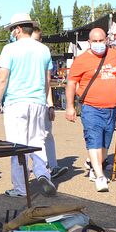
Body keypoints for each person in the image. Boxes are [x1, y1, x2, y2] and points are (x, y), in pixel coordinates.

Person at [0, 14, 56, 198]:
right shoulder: (43, 49)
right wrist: (45, 101)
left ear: (18, 30)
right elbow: (46, 80)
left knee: (17, 145)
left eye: (12, 30)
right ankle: (43, 173)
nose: (12, 32)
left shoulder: (10, 49)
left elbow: (2, 78)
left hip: (16, 102)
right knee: (37, 141)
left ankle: (20, 187)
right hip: (37, 100)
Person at [65, 27, 116, 193]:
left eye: (101, 41)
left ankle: (94, 165)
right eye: (95, 41)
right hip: (91, 107)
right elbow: (71, 83)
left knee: (105, 143)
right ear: (89, 42)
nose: (99, 44)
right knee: (94, 140)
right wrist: (70, 106)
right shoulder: (81, 60)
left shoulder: (115, 55)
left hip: (111, 108)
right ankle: (100, 177)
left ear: (106, 40)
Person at [31, 25, 68, 179]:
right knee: (31, 136)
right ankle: (37, 167)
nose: (36, 43)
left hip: (43, 100)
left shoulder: (44, 54)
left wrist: (51, 104)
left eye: (38, 40)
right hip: (28, 101)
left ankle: (52, 166)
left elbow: (47, 82)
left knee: (47, 134)